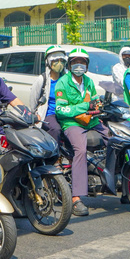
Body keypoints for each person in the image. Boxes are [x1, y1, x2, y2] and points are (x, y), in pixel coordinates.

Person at [55, 48, 109, 217]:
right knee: (81, 150)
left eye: (83, 62)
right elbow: (61, 110)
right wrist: (85, 106)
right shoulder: (62, 83)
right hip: (72, 123)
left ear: (87, 65)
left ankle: (116, 181)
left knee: (114, 139)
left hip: (91, 121)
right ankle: (76, 197)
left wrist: (98, 107)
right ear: (70, 64)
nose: (79, 65)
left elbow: (93, 101)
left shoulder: (89, 81)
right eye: (76, 62)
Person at [29, 45, 67, 144]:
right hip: (49, 114)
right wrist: (35, 116)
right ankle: (55, 156)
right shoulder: (42, 79)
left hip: (66, 113)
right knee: (55, 129)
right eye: (55, 61)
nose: (59, 64)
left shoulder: (67, 79)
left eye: (61, 60)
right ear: (48, 62)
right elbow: (33, 100)